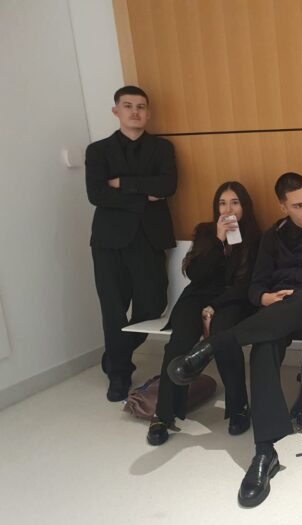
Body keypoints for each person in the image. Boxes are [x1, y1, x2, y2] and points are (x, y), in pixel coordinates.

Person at [167, 172, 302, 507]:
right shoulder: (273, 237)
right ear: (283, 207)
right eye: (298, 205)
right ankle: (264, 452)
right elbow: (256, 287)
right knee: (263, 345)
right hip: (277, 315)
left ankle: (212, 346)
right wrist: (266, 298)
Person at [147, 181, 261, 445]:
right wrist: (218, 241)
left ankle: (238, 408)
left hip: (231, 300)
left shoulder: (256, 238)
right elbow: (195, 275)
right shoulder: (206, 232)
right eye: (222, 203)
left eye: (235, 203)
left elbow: (246, 285)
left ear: (245, 206)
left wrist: (215, 306)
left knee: (224, 336)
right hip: (196, 297)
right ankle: (163, 414)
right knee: (179, 342)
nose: (228, 209)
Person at [86, 85, 177, 402]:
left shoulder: (162, 148)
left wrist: (122, 183)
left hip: (149, 239)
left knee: (153, 305)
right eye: (128, 106)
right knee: (113, 310)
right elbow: (97, 194)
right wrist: (144, 196)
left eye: (141, 107)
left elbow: (168, 185)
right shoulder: (98, 151)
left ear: (148, 113)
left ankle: (115, 355)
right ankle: (119, 374)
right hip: (109, 242)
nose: (135, 111)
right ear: (116, 111)